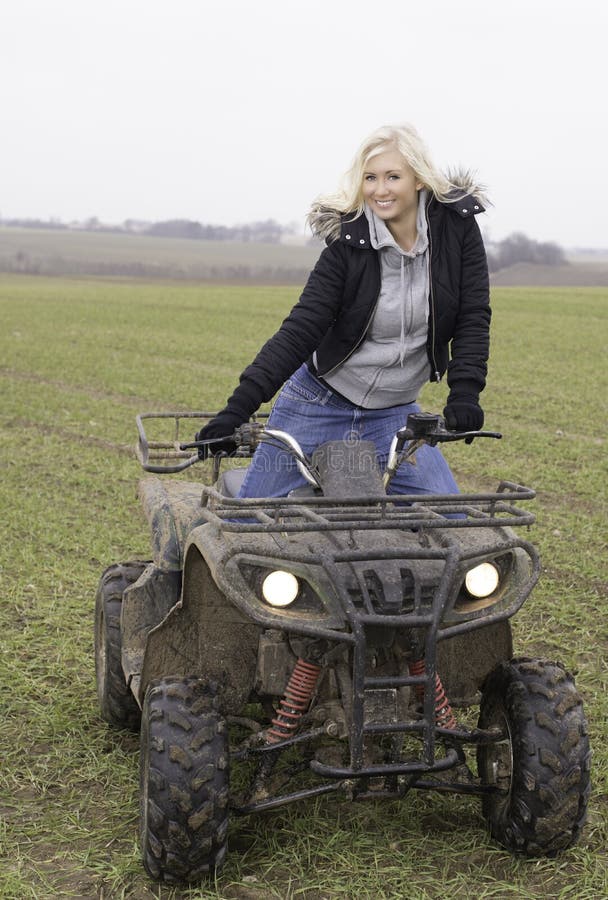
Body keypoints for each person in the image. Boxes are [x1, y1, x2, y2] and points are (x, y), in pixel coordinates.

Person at [196, 123, 490, 500]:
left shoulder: (458, 230)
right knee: (251, 522)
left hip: (393, 416)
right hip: (316, 405)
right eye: (370, 178)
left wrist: (465, 394)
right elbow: (301, 329)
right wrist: (236, 410)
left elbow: (472, 316)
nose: (379, 190)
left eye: (392, 177)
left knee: (452, 521)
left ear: (418, 179)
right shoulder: (347, 245)